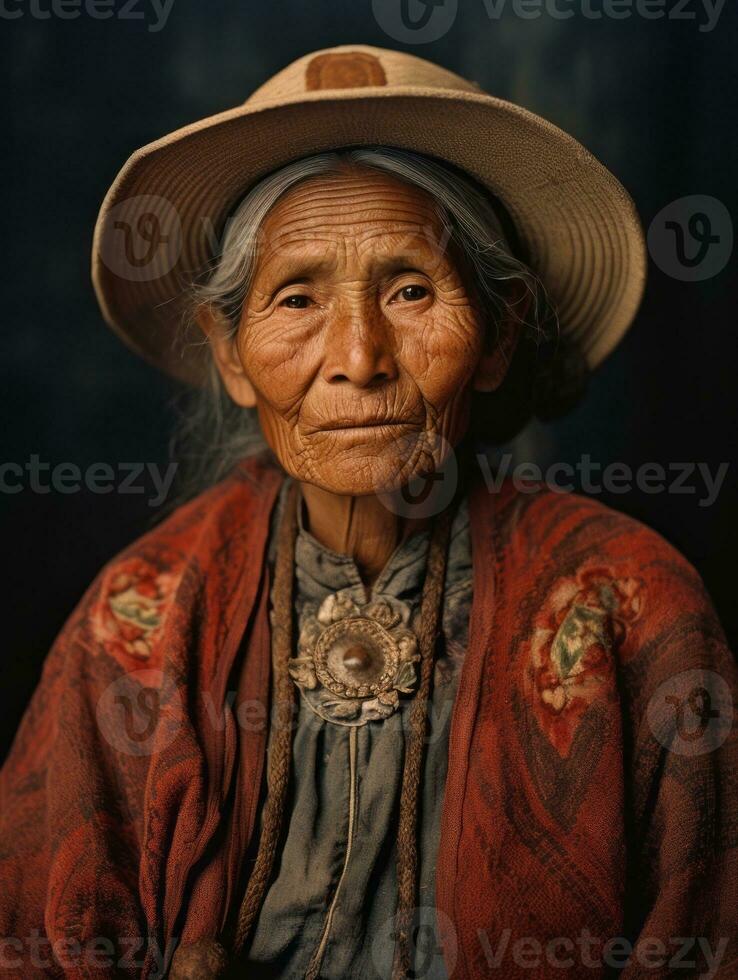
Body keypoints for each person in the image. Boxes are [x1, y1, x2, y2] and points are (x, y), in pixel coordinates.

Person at [1, 45, 736, 980]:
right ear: (229, 354)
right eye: (298, 296)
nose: (360, 355)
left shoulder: (633, 608)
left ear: (499, 338)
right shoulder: (140, 617)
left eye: (411, 290)